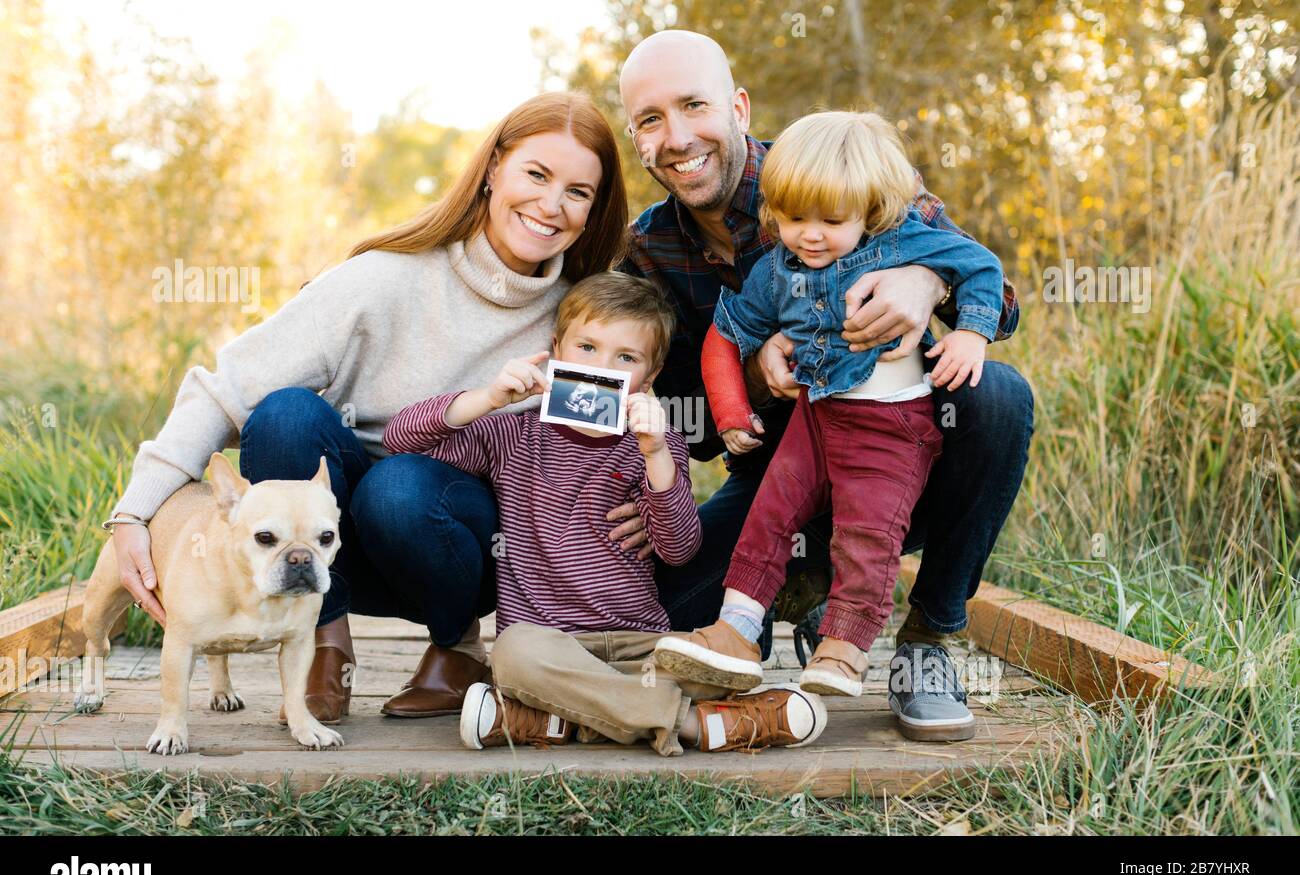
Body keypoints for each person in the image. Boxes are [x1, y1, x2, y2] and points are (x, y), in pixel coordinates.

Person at [102, 92, 631, 724]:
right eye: (536, 175)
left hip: (468, 548)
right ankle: (323, 637)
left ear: (594, 208)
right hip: (334, 543)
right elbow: (225, 388)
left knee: (401, 488)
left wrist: (645, 502)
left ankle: (456, 647)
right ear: (492, 170)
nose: (551, 205)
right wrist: (135, 511)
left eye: (578, 191)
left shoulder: (582, 321)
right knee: (286, 416)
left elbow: (616, 432)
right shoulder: (384, 279)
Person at [617, 31, 1035, 741]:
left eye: (694, 105)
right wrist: (747, 379)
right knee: (658, 602)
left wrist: (923, 279)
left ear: (739, 107)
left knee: (997, 397)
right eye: (651, 119)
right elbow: (691, 422)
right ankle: (799, 598)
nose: (678, 136)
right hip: (780, 473)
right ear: (635, 136)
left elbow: (1003, 302)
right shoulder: (649, 248)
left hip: (898, 454)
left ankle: (927, 642)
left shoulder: (839, 166)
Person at [383, 272, 826, 755]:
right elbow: (401, 439)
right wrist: (487, 399)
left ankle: (558, 719)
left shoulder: (656, 445)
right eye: (587, 348)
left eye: (626, 358)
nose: (601, 367)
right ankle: (697, 726)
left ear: (649, 378)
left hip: (640, 643)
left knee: (701, 661)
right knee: (512, 655)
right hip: (548, 646)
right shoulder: (514, 435)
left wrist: (657, 455)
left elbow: (679, 550)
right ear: (556, 351)